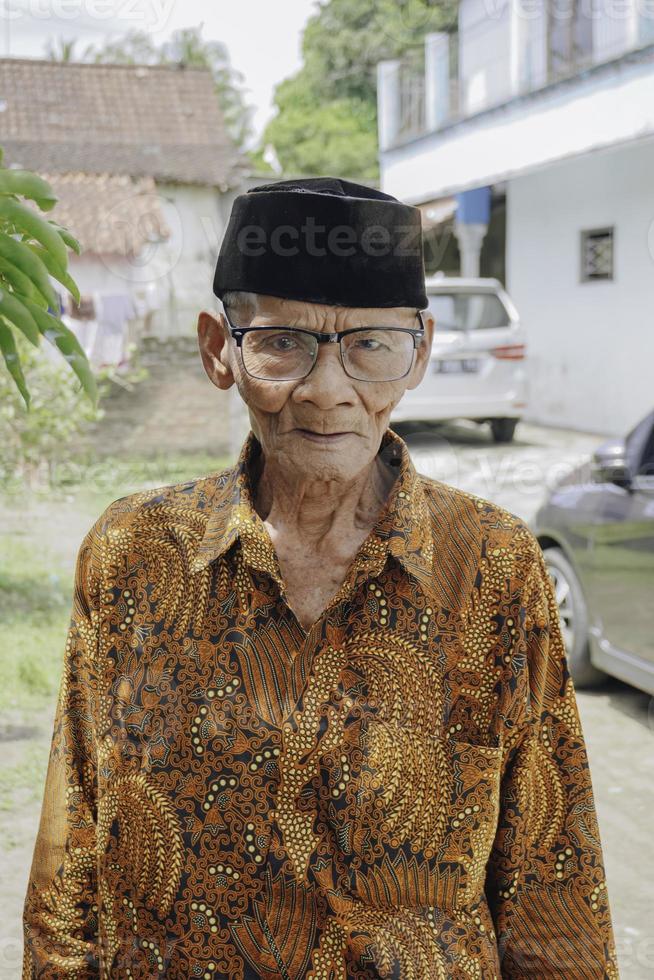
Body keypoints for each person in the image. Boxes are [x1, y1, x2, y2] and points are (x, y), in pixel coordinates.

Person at [23, 177, 619, 978]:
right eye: (283, 343)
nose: (329, 390)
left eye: (371, 345)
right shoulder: (133, 552)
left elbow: (554, 878)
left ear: (420, 352)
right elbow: (74, 851)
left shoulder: (494, 565)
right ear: (219, 349)